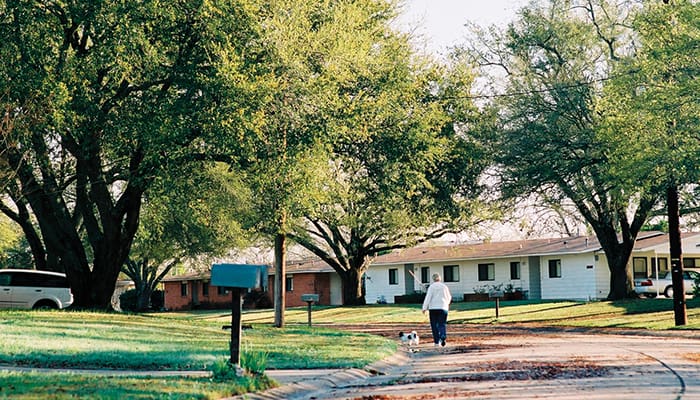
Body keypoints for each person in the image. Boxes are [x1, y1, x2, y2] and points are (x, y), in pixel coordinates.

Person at [422, 273, 452, 347]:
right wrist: (446, 304)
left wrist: (424, 308)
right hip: (443, 307)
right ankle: (442, 335)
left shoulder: (431, 287)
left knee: (434, 325)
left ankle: (436, 341)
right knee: (442, 324)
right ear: (440, 278)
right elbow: (449, 297)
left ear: (433, 279)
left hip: (433, 308)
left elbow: (428, 298)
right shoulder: (444, 287)